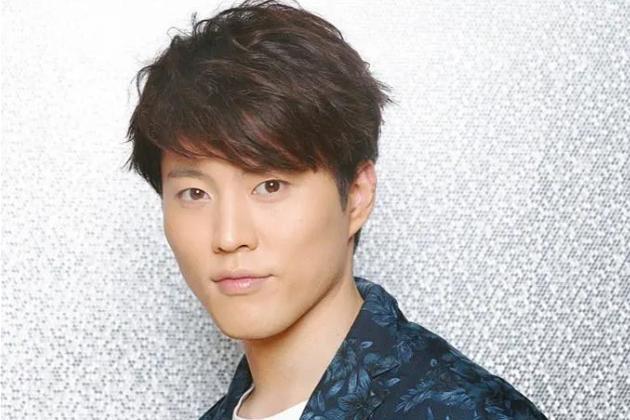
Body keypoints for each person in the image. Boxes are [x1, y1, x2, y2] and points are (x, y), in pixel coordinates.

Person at [124, 0, 548, 418]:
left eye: (270, 186)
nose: (229, 236)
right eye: (195, 194)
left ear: (357, 195)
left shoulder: (464, 411)